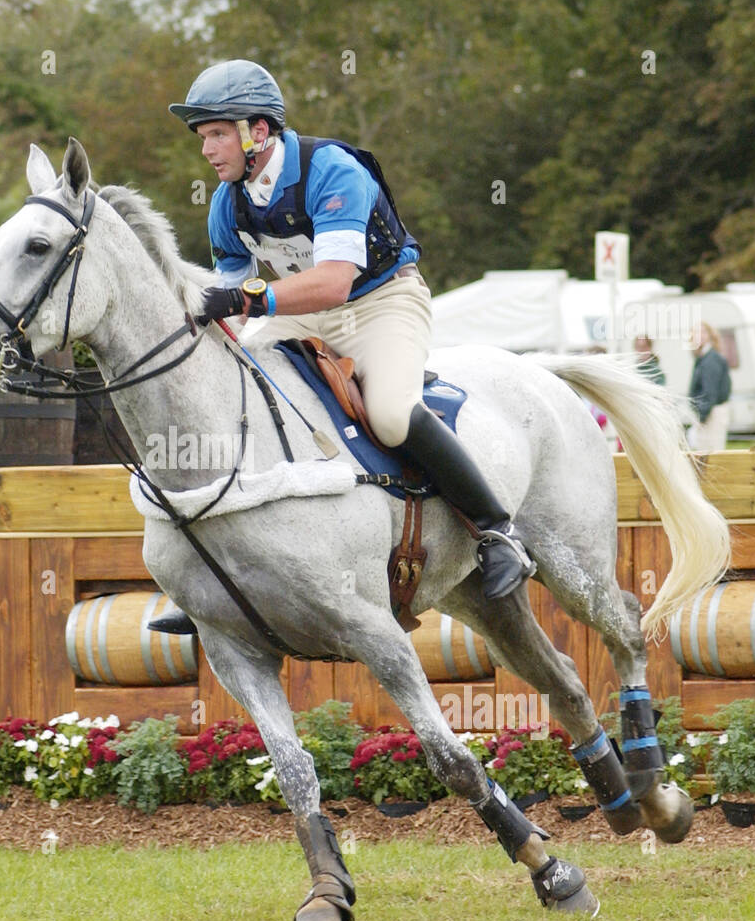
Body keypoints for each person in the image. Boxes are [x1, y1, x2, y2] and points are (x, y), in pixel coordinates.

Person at [168, 59, 534, 600]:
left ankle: (498, 532)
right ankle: (224, 575)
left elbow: (335, 283)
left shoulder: (331, 170)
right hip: (300, 309)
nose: (206, 149)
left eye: (218, 134)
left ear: (258, 131)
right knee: (236, 387)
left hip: (381, 301)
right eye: (203, 136)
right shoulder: (227, 204)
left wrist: (247, 299)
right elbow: (232, 303)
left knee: (389, 415)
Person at [687, 323, 731, 453]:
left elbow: (709, 391)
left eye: (702, 332)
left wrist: (701, 417)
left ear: (710, 336)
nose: (698, 336)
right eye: (695, 333)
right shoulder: (702, 357)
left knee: (711, 453)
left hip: (712, 413)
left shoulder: (711, 359)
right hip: (708, 412)